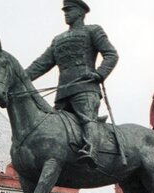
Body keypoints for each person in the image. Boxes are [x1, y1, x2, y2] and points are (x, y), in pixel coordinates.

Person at [24, 0, 118, 166]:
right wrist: (20, 79)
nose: (66, 13)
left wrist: (99, 74)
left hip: (85, 89)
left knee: (87, 118)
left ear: (81, 12)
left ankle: (92, 151)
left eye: (70, 10)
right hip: (63, 93)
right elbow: (41, 64)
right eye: (65, 10)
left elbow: (111, 54)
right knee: (54, 127)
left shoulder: (93, 30)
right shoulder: (58, 40)